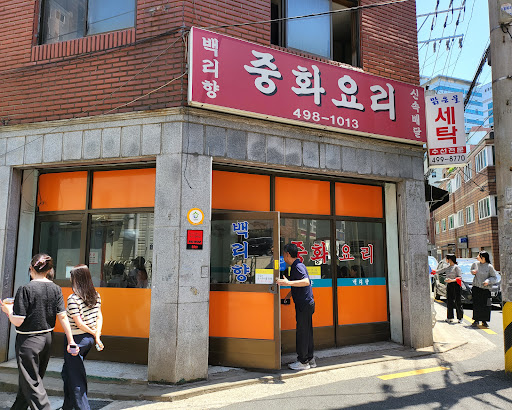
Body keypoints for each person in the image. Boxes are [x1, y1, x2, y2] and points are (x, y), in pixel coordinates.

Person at [0, 254, 77, 410]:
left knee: (32, 382)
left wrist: (8, 311)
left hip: (28, 341)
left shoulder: (25, 289)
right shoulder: (56, 289)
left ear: (31, 268)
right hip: (47, 338)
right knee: (30, 380)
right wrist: (71, 340)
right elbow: (62, 316)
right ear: (49, 270)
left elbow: (18, 320)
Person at [61, 264, 104, 410]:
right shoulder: (96, 295)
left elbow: (79, 323)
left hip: (75, 341)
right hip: (88, 340)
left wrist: (95, 334)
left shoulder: (73, 299)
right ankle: (67, 406)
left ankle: (83, 407)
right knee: (67, 373)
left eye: (72, 277)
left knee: (76, 378)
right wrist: (96, 335)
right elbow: (99, 317)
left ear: (76, 279)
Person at [276, 243, 315, 371]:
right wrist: (288, 295)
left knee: (302, 333)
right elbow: (297, 285)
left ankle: (303, 362)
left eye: (283, 254)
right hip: (306, 304)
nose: (283, 257)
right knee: (307, 332)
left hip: (304, 305)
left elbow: (306, 282)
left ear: (287, 254)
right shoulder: (296, 266)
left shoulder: (297, 266)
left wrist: (288, 282)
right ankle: (310, 359)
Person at [470, 251, 497, 328]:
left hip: (486, 289)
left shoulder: (489, 266)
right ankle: (476, 320)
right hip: (476, 287)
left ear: (483, 257)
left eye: (479, 255)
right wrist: (473, 272)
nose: (477, 257)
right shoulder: (475, 264)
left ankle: (484, 321)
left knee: (486, 305)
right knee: (476, 305)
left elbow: (494, 277)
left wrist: (488, 281)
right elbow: (471, 270)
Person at [436, 254, 463, 323]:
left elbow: (460, 277)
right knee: (449, 301)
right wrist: (432, 271)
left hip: (456, 285)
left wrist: (452, 280)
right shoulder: (447, 267)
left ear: (450, 259)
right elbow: (439, 271)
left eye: (446, 258)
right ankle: (450, 317)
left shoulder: (456, 267)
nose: (446, 260)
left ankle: (460, 318)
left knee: (457, 301)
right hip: (449, 285)